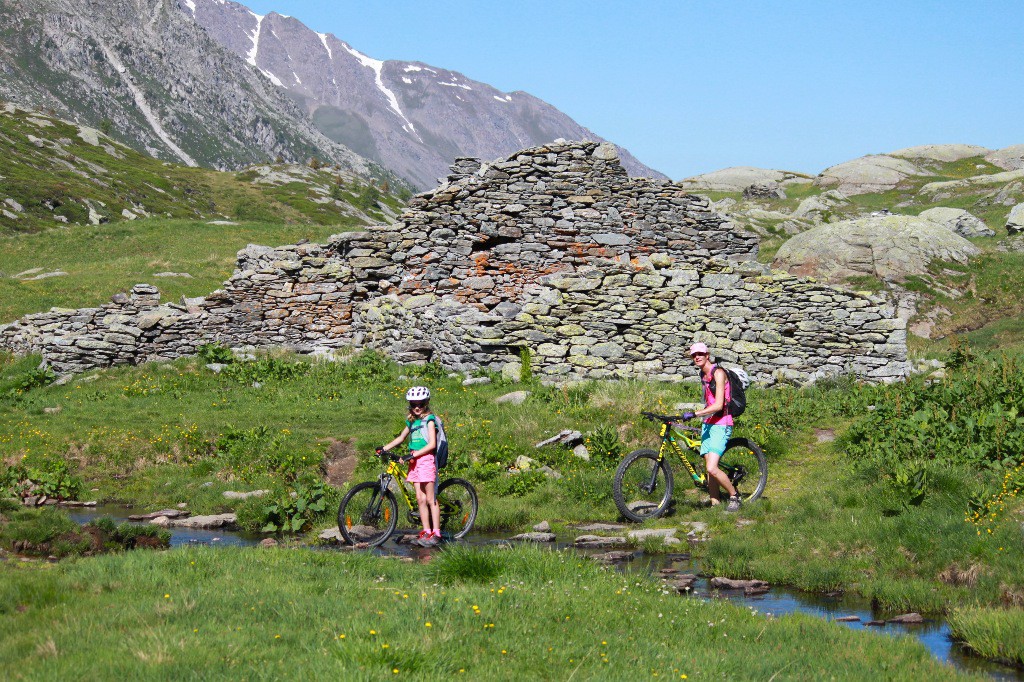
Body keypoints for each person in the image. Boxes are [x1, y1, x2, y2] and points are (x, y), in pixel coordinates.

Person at [682, 342, 741, 512]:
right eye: (694, 355)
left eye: (700, 354)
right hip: (708, 424)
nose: (697, 357)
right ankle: (715, 504)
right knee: (709, 468)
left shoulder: (718, 373)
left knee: (711, 468)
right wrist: (701, 417)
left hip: (722, 423)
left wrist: (695, 414)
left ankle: (734, 496)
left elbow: (718, 405)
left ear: (707, 355)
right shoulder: (703, 374)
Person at [380, 386, 441, 546]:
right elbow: (401, 438)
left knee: (430, 498)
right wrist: (384, 448)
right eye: (414, 404)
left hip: (426, 459)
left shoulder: (429, 420)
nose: (417, 408)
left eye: (420, 404)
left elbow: (432, 444)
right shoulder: (412, 422)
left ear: (426, 403)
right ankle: (426, 531)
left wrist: (412, 455)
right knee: (420, 499)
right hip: (414, 462)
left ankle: (436, 533)